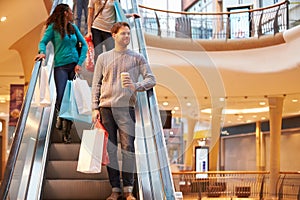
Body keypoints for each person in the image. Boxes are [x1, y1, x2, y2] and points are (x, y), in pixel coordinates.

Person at [91, 22, 156, 200]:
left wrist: (136, 85)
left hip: (126, 108)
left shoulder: (137, 57)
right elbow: (96, 84)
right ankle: (115, 189)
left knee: (128, 148)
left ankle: (128, 189)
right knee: (111, 150)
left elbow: (151, 79)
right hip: (106, 108)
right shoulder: (103, 58)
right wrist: (94, 108)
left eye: (128, 34)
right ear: (113, 35)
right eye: (123, 34)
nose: (126, 37)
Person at [35, 3, 88, 143]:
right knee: (62, 97)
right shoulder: (53, 28)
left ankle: (66, 133)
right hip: (60, 67)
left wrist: (79, 63)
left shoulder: (73, 28)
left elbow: (85, 46)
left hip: (73, 67)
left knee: (72, 99)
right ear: (65, 13)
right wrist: (42, 53)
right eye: (70, 11)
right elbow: (43, 42)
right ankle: (60, 116)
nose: (72, 13)